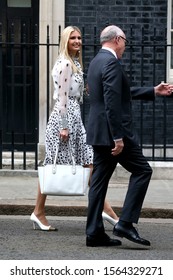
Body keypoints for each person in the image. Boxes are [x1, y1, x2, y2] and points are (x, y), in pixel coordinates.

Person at [86, 24, 173, 247]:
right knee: (143, 170)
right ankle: (125, 223)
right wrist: (118, 138)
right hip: (114, 134)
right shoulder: (112, 62)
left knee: (98, 182)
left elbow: (117, 94)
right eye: (125, 41)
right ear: (117, 39)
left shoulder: (97, 61)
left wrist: (153, 90)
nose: (125, 45)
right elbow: (113, 104)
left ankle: (94, 233)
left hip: (98, 131)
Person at [30, 25, 119, 231]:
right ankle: (105, 210)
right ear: (65, 41)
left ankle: (39, 211)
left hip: (74, 118)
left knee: (86, 163)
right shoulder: (66, 64)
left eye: (79, 38)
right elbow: (62, 98)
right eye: (73, 38)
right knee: (61, 165)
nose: (77, 41)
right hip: (65, 120)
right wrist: (64, 126)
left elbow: (74, 93)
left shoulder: (74, 63)